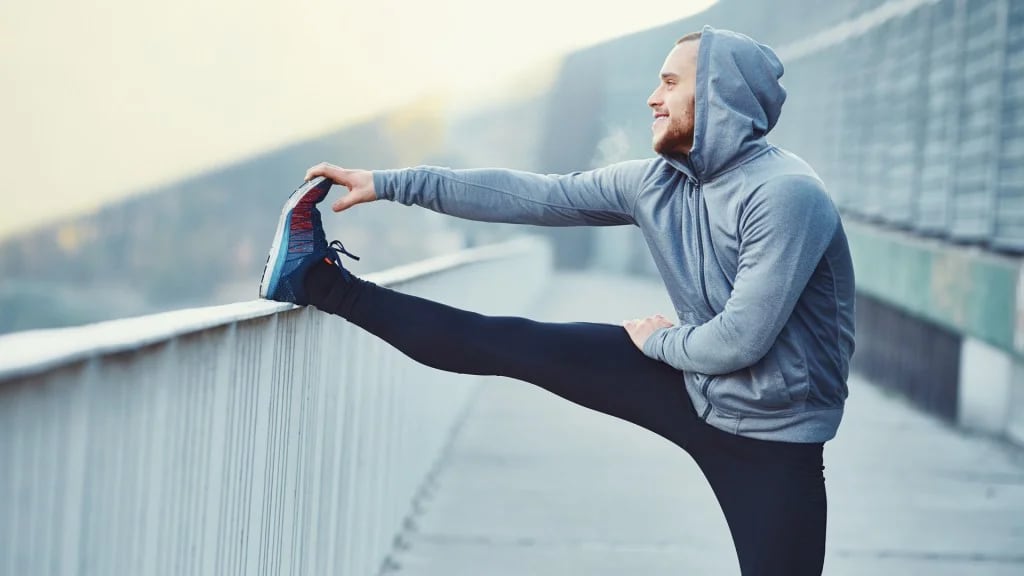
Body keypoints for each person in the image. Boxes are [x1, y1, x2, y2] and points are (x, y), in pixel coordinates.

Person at [259, 25, 854, 576]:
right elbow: (531, 197)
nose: (652, 97)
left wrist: (657, 341)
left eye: (671, 83)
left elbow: (739, 340)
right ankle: (316, 282)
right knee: (506, 341)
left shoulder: (786, 197)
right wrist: (389, 184)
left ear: (720, 94)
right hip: (693, 387)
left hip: (776, 441)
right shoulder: (656, 183)